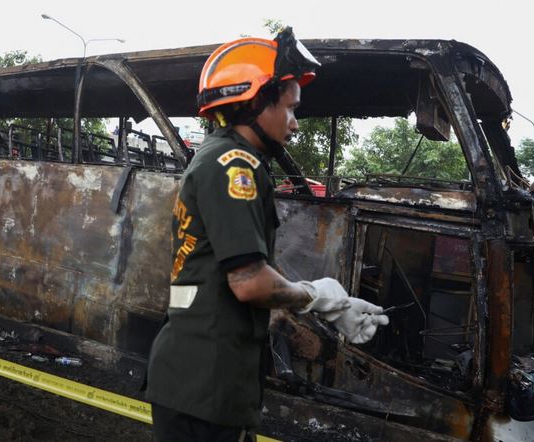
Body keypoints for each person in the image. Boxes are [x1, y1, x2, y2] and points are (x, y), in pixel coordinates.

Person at [145, 27, 389, 441]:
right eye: (290, 108)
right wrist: (319, 297)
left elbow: (240, 279)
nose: (294, 124)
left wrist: (329, 305)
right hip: (206, 386)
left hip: (199, 380)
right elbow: (248, 283)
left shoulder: (216, 157)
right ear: (256, 100)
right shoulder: (233, 166)